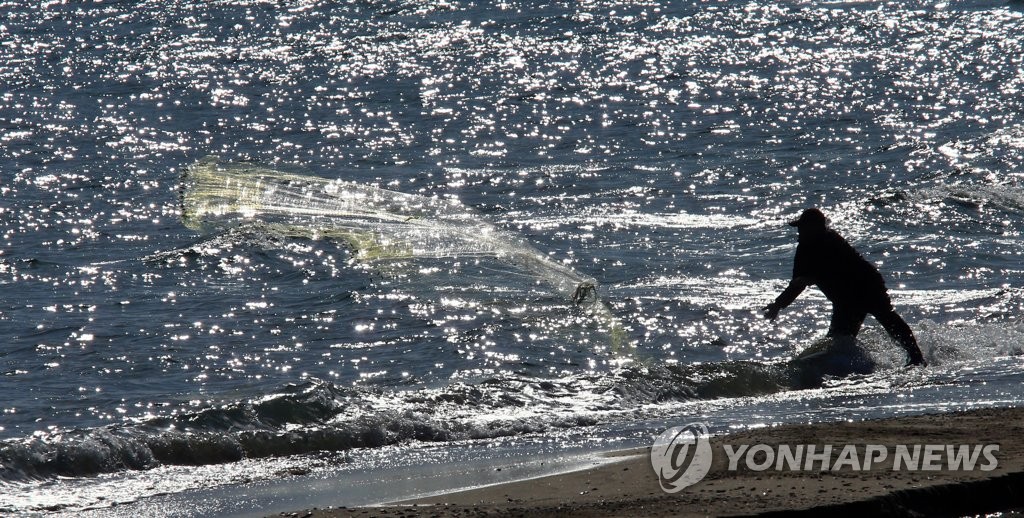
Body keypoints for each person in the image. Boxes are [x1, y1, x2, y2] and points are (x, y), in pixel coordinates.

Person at [763, 208, 927, 367]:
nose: (799, 232)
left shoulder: (831, 240)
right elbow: (797, 284)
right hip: (845, 299)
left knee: (888, 319)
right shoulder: (803, 249)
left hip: (867, 286)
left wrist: (811, 278)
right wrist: (778, 304)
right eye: (799, 228)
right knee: (839, 339)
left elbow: (833, 270)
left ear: (816, 227)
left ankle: (916, 357)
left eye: (803, 227)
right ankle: (856, 367)